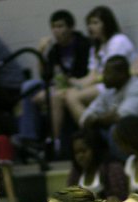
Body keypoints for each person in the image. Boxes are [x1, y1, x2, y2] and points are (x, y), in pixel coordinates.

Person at [18, 10, 91, 147]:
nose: (56, 31)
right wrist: (40, 52)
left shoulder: (83, 44)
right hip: (59, 86)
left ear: (71, 27)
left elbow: (82, 75)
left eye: (60, 26)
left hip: (79, 85)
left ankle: (54, 142)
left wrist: (53, 89)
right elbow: (45, 76)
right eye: (54, 27)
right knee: (29, 87)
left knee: (53, 96)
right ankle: (29, 138)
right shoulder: (55, 50)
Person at [63, 6, 138, 132]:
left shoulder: (118, 41)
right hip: (102, 83)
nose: (90, 27)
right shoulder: (97, 46)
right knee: (63, 95)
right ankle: (57, 141)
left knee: (72, 97)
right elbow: (92, 75)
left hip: (117, 84)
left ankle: (90, 136)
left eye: (95, 23)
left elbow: (111, 74)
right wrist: (74, 82)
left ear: (107, 23)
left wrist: (79, 87)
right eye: (89, 23)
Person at [81, 56, 138, 153]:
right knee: (90, 131)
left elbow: (121, 119)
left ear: (122, 74)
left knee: (117, 130)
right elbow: (85, 118)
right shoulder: (109, 91)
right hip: (134, 143)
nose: (103, 77)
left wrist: (97, 119)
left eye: (107, 73)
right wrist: (99, 120)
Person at [65, 129, 128, 202]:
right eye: (76, 153)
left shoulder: (112, 169)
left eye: (83, 151)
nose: (80, 156)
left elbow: (120, 200)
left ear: (94, 149)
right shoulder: (75, 173)